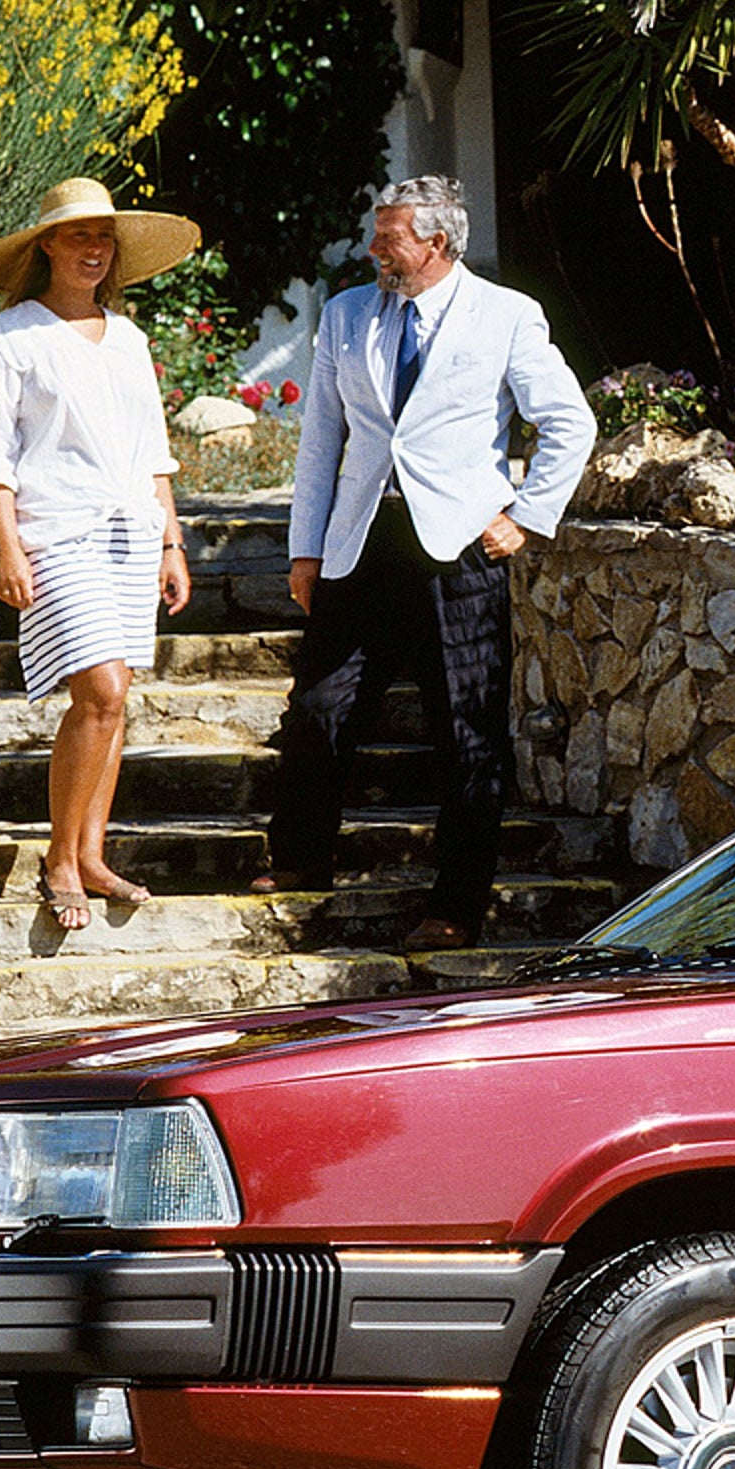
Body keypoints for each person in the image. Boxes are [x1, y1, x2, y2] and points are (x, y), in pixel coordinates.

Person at [258, 175, 595, 950]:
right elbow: (320, 444)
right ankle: (302, 857)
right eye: (377, 235)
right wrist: (305, 548)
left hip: (459, 549)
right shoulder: (345, 316)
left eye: (390, 237)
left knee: (467, 733)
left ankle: (457, 903)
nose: (374, 249)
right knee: (319, 707)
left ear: (437, 243)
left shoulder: (507, 316)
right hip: (362, 540)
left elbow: (569, 423)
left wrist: (528, 517)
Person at [0, 176, 201, 932]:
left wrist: (171, 540)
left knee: (114, 700)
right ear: (47, 246)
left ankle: (91, 853)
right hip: (54, 532)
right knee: (102, 685)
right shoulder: (7, 340)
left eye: (104, 238)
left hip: (132, 534)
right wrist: (6, 546)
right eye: (79, 236)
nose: (94, 249)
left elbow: (152, 453)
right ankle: (61, 859)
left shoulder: (128, 339)